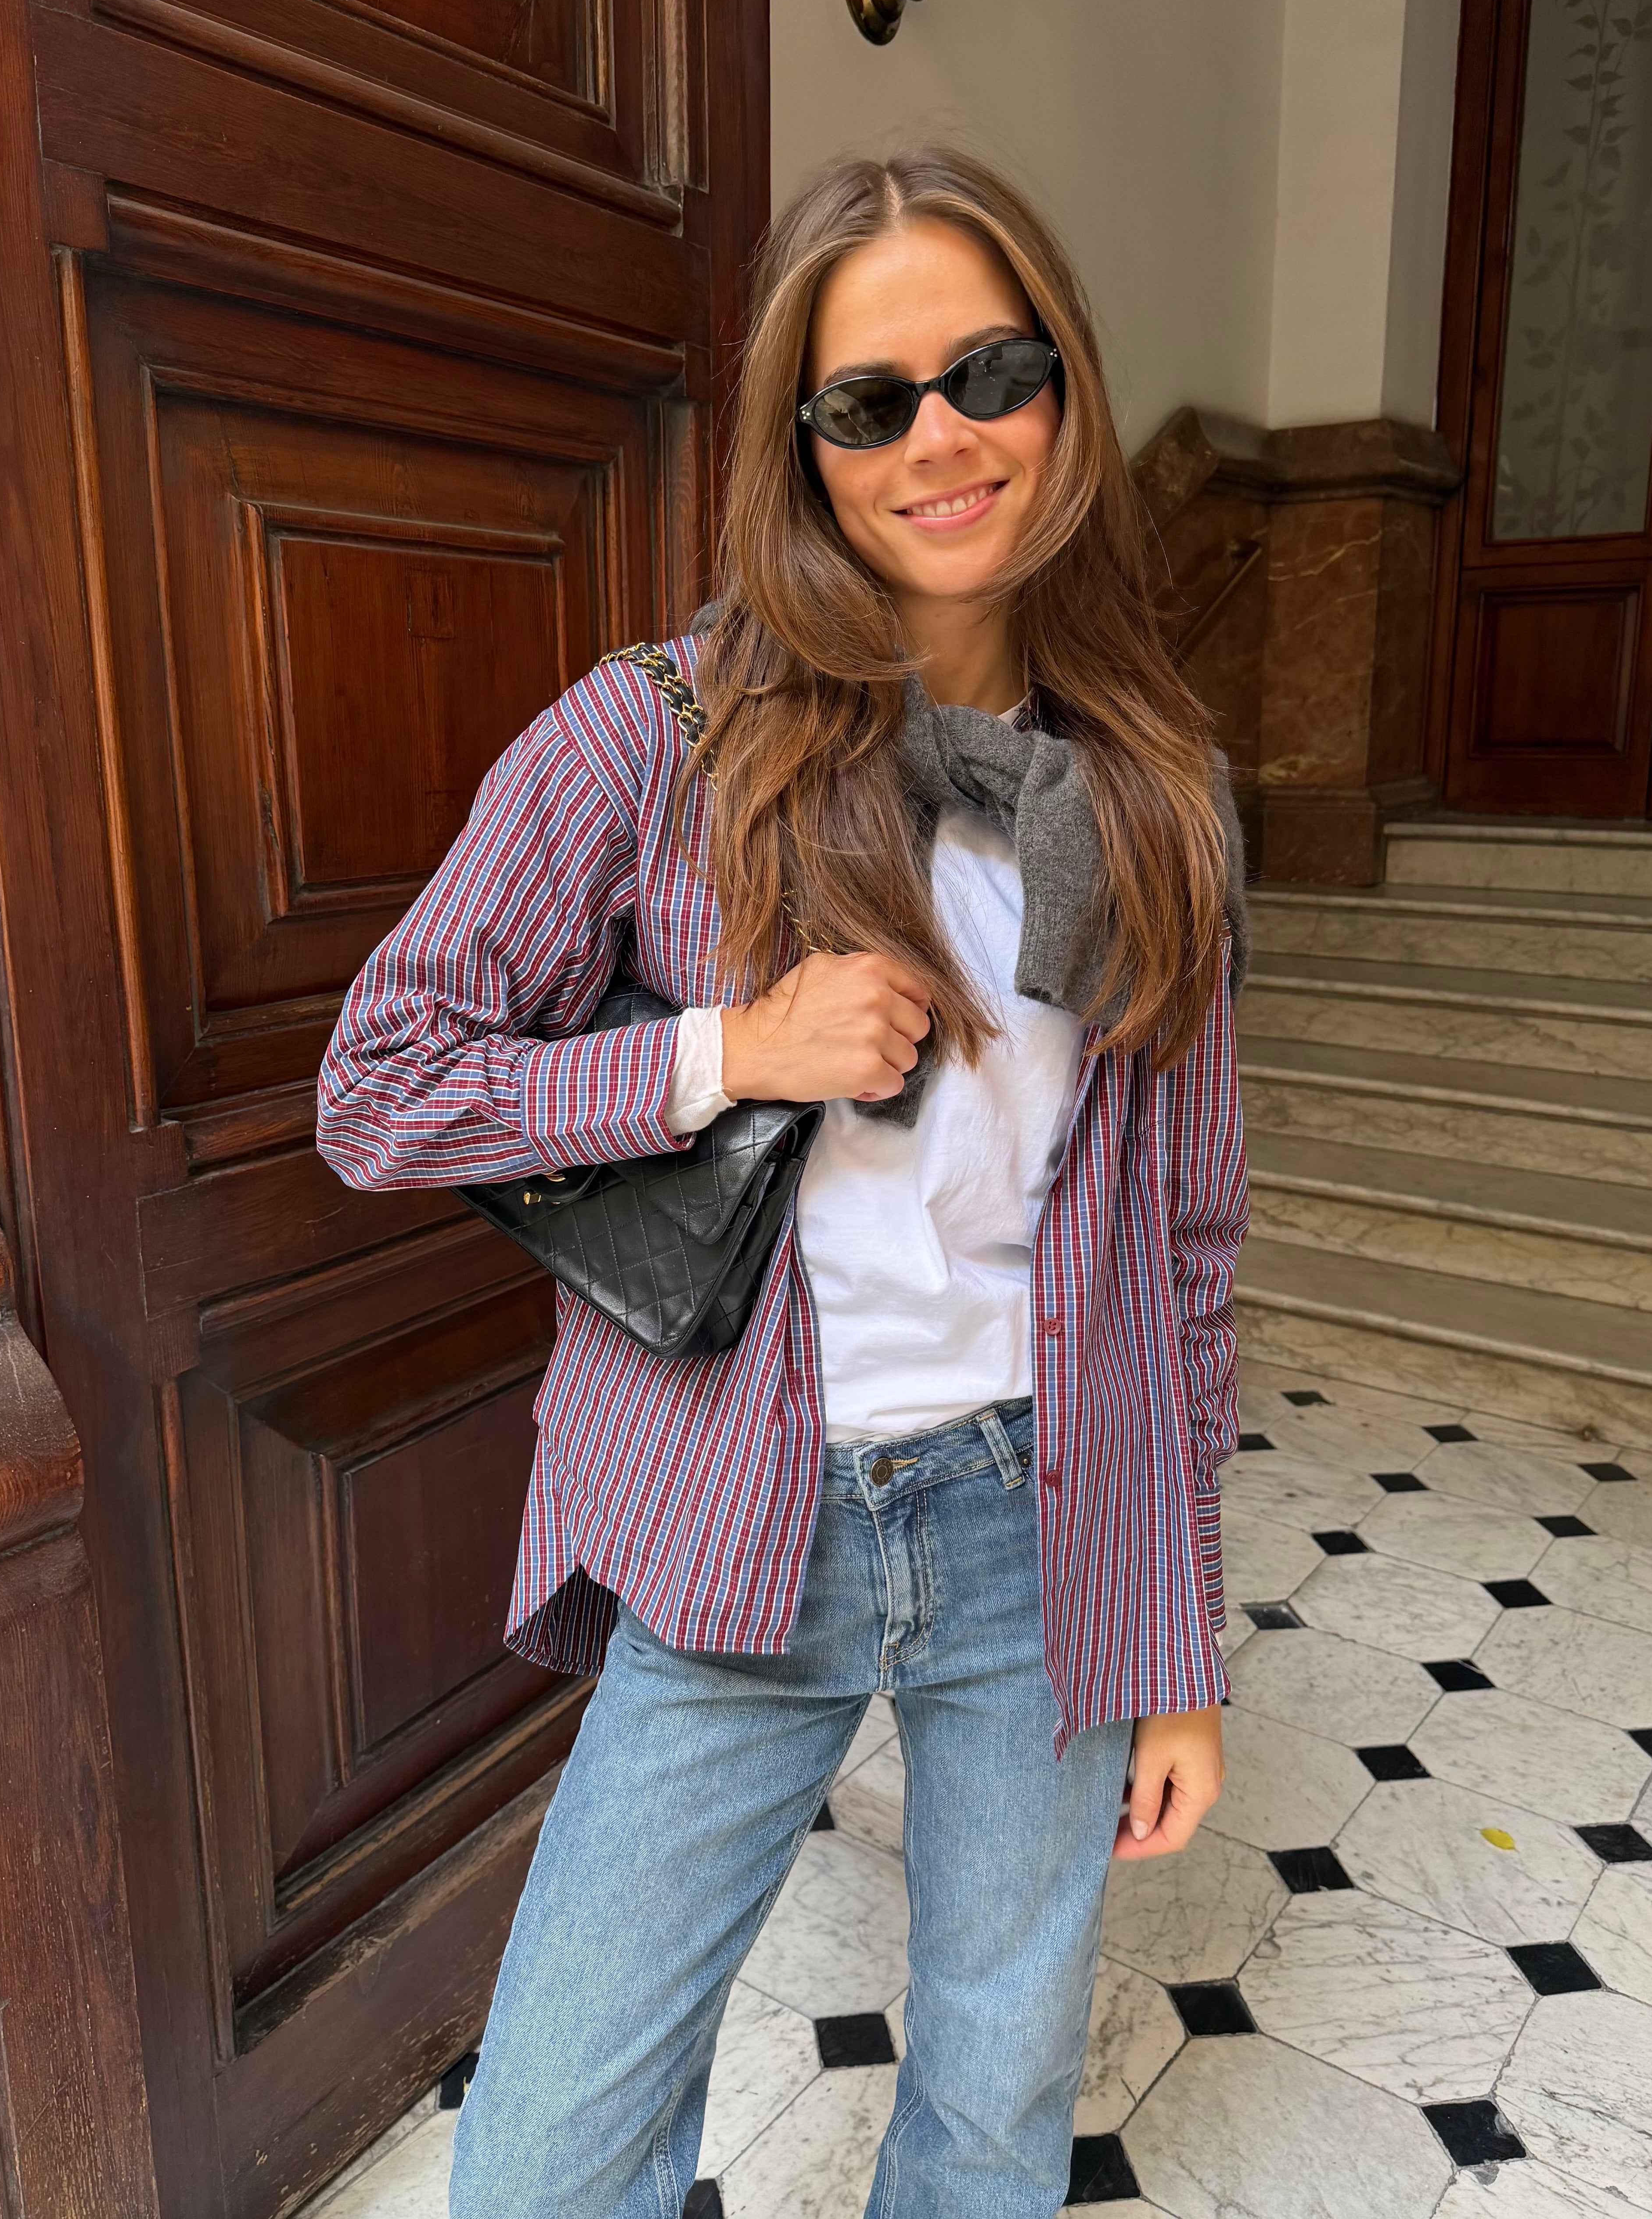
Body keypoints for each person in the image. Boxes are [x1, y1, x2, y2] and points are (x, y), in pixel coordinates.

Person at [317, 145, 1250, 2219]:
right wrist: (723, 1052)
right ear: (801, 446)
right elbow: (377, 1087)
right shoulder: (649, 741)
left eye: (988, 372)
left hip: (1039, 1519)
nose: (940, 440)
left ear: (1064, 385)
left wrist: (1176, 1639)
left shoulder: (1152, 791)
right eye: (866, 401)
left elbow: (1182, 1248)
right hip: (744, 1513)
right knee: (549, 2152)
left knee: (995, 2102)